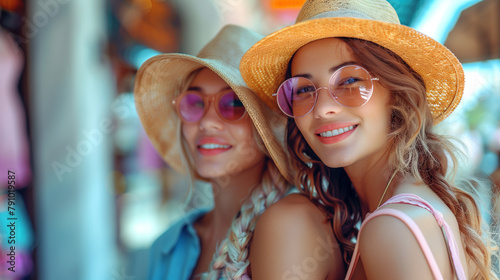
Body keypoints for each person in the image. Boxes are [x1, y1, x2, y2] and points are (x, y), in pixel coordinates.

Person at [240, 0, 499, 279]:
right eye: (303, 89)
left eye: (350, 82)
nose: (323, 107)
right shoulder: (410, 211)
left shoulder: (391, 227)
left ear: (397, 94)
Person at [134, 24, 294, 280]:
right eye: (195, 103)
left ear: (267, 125)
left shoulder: (294, 230)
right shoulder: (166, 246)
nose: (207, 122)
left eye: (233, 104)